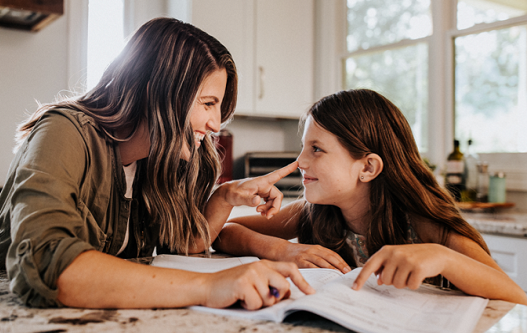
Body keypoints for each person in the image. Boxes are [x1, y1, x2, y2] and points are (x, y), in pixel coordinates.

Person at [0, 17, 313, 309]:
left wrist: (224, 197)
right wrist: (210, 287)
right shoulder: (65, 132)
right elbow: (48, 267)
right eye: (207, 103)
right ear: (156, 90)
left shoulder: (162, 157)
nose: (214, 124)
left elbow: (185, 247)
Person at [214, 89, 527, 304]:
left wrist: (443, 257)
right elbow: (225, 233)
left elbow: (516, 296)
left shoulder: (422, 224)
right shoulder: (313, 212)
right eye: (303, 147)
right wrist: (282, 250)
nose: (301, 162)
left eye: (317, 149)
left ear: (367, 167)